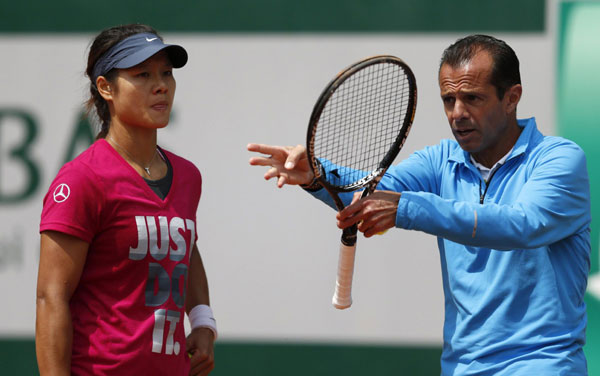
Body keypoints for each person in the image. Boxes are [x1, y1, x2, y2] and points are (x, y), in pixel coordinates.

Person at [248, 34, 591, 375]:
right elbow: (376, 190)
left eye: (472, 98)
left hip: (542, 364)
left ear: (511, 98)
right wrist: (318, 173)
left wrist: (408, 209)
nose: (457, 113)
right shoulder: (441, 159)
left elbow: (523, 224)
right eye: (448, 99)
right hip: (461, 368)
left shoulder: (559, 159)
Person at [36, 24, 216, 375]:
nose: (161, 84)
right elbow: (50, 297)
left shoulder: (188, 176)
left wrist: (204, 321)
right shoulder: (82, 179)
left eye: (166, 73)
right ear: (106, 88)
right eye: (142, 74)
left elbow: (185, 246)